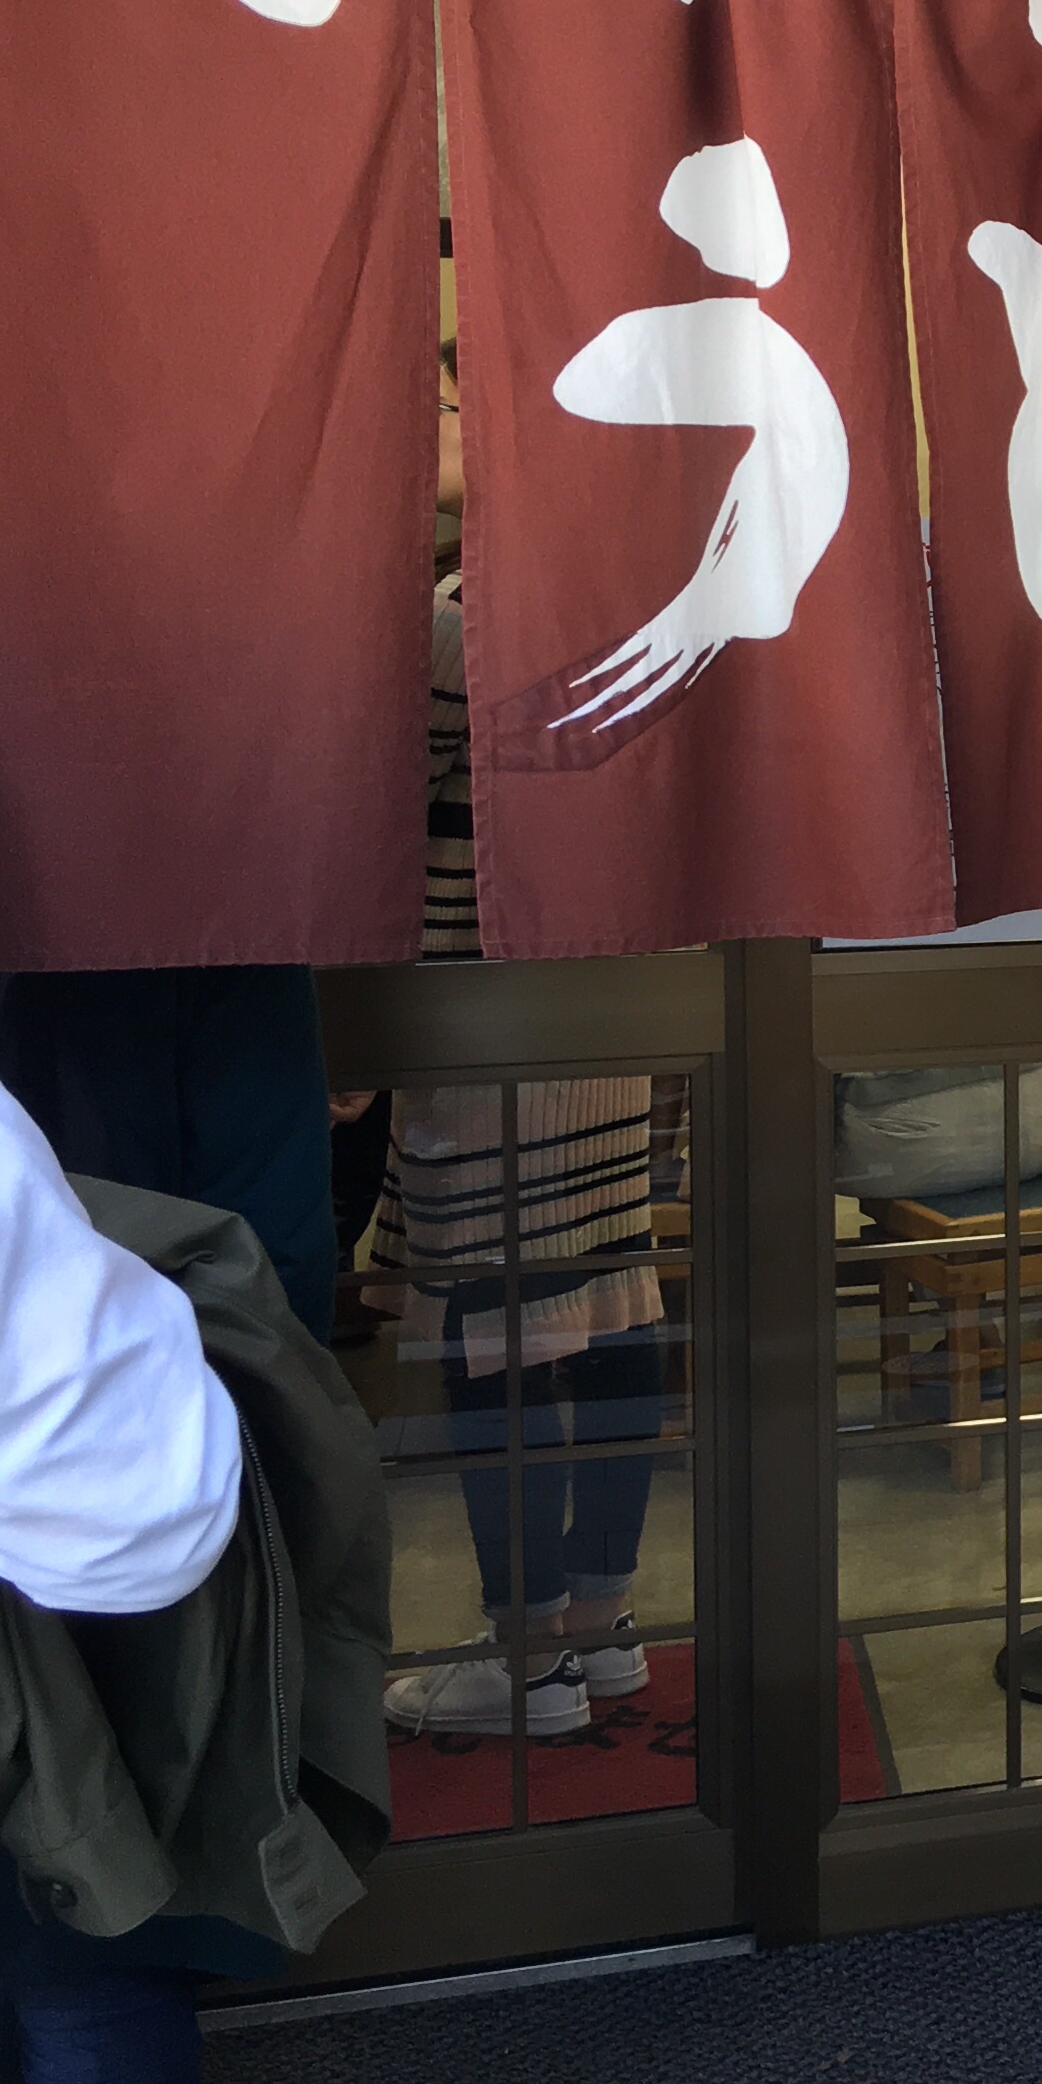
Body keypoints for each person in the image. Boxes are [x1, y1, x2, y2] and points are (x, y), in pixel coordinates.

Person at [0, 885, 254, 2084]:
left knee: (84, 1957)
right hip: (106, 1463)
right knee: (101, 1944)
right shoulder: (213, 888)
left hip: (80, 1453)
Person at [378, 340, 671, 1742]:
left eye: (440, 399)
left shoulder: (457, 619)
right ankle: (600, 1631)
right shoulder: (615, 592)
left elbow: (367, 812)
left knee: (489, 1336)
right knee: (612, 1309)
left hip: (486, 1026)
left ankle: (527, 1656)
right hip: (612, 1013)